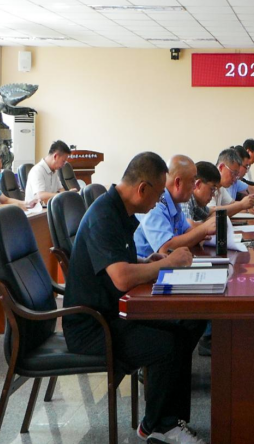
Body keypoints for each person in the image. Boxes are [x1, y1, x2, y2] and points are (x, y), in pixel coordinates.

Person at [62, 152, 206, 444]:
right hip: (92, 326)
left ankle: (165, 420)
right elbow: (121, 278)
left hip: (114, 311)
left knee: (187, 324)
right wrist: (167, 264)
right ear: (142, 188)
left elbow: (118, 262)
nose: (159, 200)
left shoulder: (119, 209)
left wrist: (146, 261)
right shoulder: (104, 216)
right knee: (167, 345)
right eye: (158, 193)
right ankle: (159, 428)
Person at [134, 155, 217, 258]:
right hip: (145, 264)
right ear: (178, 182)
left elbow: (186, 231)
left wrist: (205, 233)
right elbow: (165, 249)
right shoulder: (156, 203)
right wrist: (203, 230)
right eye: (192, 181)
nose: (194, 187)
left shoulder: (175, 202)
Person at [210, 148, 254, 216]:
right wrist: (241, 205)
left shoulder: (221, 187)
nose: (235, 179)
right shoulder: (208, 183)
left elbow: (231, 204)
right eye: (233, 173)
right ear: (221, 167)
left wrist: (247, 206)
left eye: (236, 175)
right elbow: (211, 213)